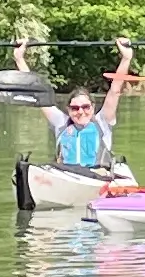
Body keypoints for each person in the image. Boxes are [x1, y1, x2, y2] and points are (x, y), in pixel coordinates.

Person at [42, 40, 135, 177]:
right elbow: (39, 95)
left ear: (92, 107)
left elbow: (115, 90)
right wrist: (20, 58)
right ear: (68, 110)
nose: (80, 112)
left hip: (97, 175)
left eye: (85, 107)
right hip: (67, 176)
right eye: (75, 108)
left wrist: (126, 58)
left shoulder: (102, 121)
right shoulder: (61, 123)